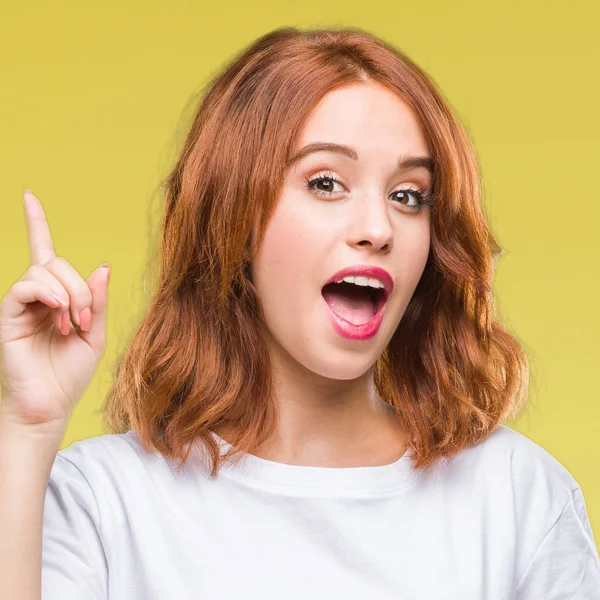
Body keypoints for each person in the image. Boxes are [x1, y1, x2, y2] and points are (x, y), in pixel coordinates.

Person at [1, 26, 598, 600]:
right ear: (233, 220)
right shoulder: (106, 501)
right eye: (326, 183)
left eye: (408, 195)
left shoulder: (518, 498)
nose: (377, 228)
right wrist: (26, 429)